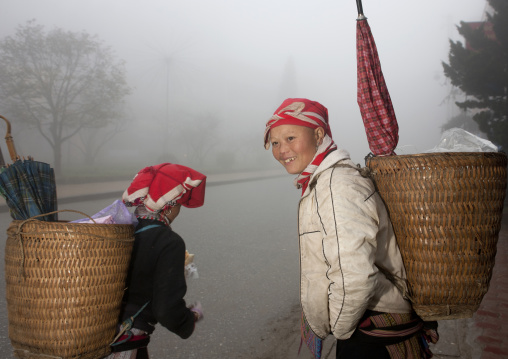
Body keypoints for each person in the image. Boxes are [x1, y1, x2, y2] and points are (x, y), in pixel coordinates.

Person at [264, 98, 438, 359]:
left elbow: (354, 277)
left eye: (290, 138)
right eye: (275, 143)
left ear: (318, 134)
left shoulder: (337, 186)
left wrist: (341, 329)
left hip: (370, 335)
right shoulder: (325, 180)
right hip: (368, 325)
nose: (281, 150)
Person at [106, 163, 207, 359]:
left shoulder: (118, 229)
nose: (178, 211)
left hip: (98, 329)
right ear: (168, 207)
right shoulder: (169, 242)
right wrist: (190, 318)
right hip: (126, 340)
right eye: (178, 205)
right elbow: (165, 309)